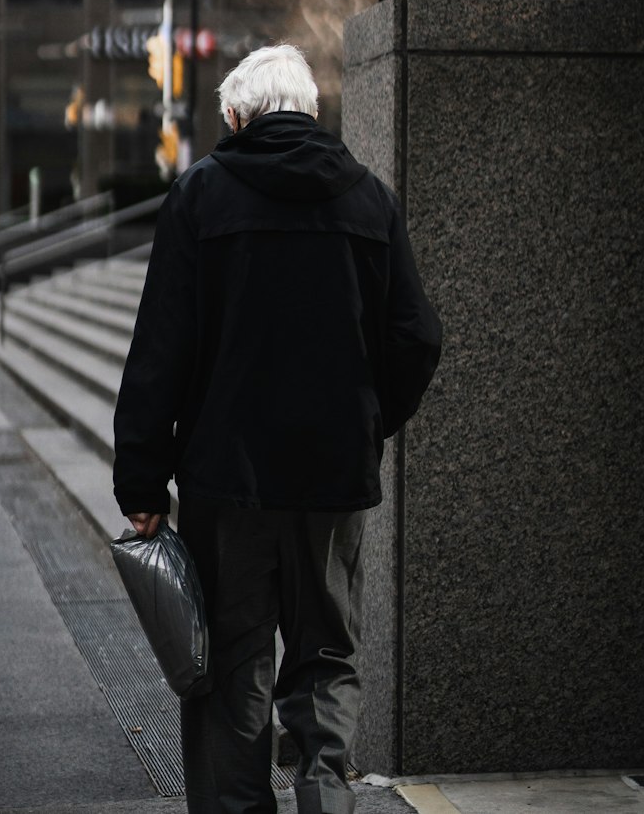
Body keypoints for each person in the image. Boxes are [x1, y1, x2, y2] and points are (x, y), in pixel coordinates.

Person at [113, 43, 442, 814]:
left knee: (231, 670)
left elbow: (160, 348)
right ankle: (326, 797)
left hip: (229, 486)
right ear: (309, 110)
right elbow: (417, 338)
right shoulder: (369, 200)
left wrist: (141, 477)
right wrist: (366, 421)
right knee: (327, 660)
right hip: (332, 484)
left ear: (236, 114)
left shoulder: (201, 196)